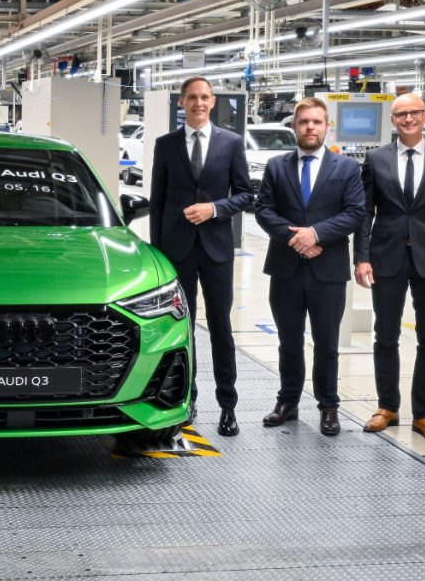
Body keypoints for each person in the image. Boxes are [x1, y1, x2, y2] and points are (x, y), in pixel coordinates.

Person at [353, 93, 425, 445]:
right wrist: (361, 257)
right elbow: (365, 211)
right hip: (387, 257)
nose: (408, 119)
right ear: (392, 120)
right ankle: (387, 406)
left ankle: (424, 414)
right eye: (401, 114)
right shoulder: (376, 159)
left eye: (414, 112)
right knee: (385, 335)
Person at [149, 76, 255, 436]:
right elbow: (158, 201)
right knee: (183, 327)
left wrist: (214, 208)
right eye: (192, 97)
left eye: (205, 97)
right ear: (181, 102)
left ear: (212, 102)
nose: (199, 102)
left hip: (216, 249)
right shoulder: (166, 145)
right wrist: (157, 254)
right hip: (176, 249)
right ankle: (186, 399)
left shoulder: (231, 143)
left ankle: (228, 405)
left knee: (221, 326)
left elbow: (245, 194)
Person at [255, 97, 366, 436]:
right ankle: (287, 401)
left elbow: (354, 212)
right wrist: (297, 238)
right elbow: (264, 210)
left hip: (327, 269)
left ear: (327, 126)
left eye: (317, 122)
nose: (310, 127)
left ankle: (328, 406)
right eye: (304, 121)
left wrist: (316, 234)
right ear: (294, 126)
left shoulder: (346, 168)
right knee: (288, 341)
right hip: (286, 268)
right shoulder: (276, 166)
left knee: (327, 343)